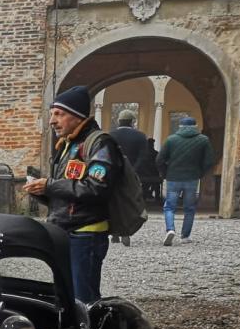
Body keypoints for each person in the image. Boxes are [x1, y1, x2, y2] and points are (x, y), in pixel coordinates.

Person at [23, 84, 120, 304]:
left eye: (59, 114)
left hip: (85, 234)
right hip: (64, 232)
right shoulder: (67, 145)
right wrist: (41, 191)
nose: (52, 121)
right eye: (51, 114)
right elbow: (66, 193)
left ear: (77, 116)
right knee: (64, 297)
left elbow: (97, 188)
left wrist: (50, 186)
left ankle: (91, 328)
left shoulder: (100, 143)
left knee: (83, 301)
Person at [157, 115, 217, 246]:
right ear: (195, 127)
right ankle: (185, 236)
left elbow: (159, 159)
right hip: (192, 178)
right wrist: (200, 173)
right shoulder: (203, 140)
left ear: (180, 127)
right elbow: (209, 161)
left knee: (169, 207)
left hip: (173, 178)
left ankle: (170, 229)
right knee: (189, 208)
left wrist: (165, 173)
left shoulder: (171, 140)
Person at [108, 110, 149, 246]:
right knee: (128, 202)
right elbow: (144, 157)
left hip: (113, 173)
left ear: (119, 121)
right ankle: (125, 231)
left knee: (114, 202)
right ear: (132, 122)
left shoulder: (110, 136)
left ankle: (114, 233)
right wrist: (133, 170)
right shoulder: (140, 136)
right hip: (132, 175)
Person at [139, 138, 163, 204]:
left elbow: (141, 165)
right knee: (156, 185)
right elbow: (159, 164)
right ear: (153, 145)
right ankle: (157, 198)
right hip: (153, 175)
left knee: (145, 185)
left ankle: (145, 197)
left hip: (145, 175)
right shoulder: (156, 153)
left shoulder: (143, 153)